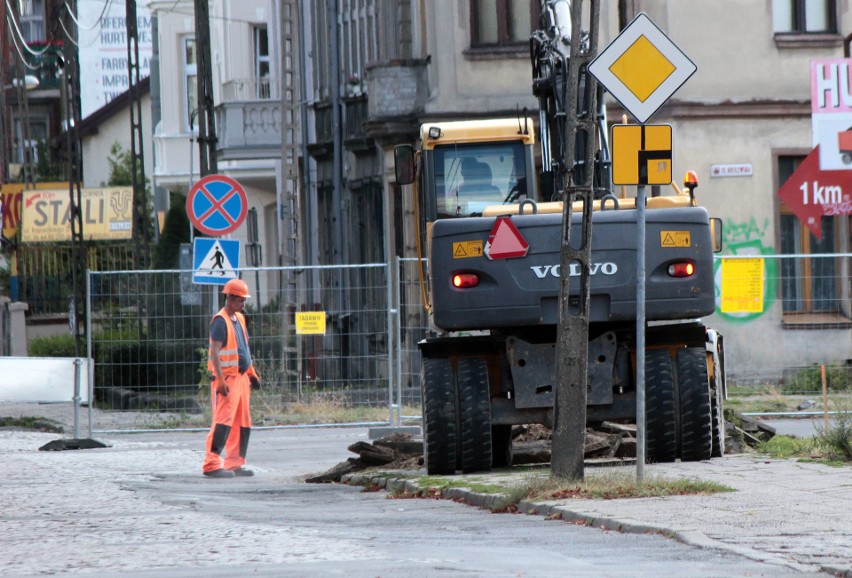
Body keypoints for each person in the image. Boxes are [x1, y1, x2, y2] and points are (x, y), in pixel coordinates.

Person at [202, 278, 261, 478]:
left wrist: (252, 373)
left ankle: (234, 463)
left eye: (244, 300)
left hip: (241, 378)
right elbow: (214, 353)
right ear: (229, 298)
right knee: (222, 422)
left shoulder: (240, 318)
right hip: (227, 380)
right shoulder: (220, 321)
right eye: (240, 300)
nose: (243, 304)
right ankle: (211, 464)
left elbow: (243, 349)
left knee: (242, 423)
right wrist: (219, 380)